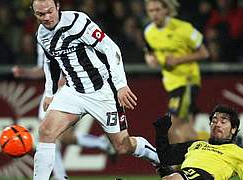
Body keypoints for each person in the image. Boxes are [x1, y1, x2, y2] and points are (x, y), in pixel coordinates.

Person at [30, 0, 160, 179]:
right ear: (34, 13)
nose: (47, 18)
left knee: (122, 146)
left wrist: (121, 84)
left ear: (58, 6)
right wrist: (50, 93)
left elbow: (110, 47)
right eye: (40, 14)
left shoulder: (78, 22)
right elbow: (51, 63)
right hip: (73, 91)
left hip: (101, 91)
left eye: (50, 11)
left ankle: (158, 158)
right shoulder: (42, 34)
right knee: (45, 131)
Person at [12, 45, 116, 180]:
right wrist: (24, 73)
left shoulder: (70, 29)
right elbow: (42, 69)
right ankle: (100, 144)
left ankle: (61, 176)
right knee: (52, 134)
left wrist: (70, 76)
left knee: (51, 134)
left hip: (72, 87)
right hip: (53, 89)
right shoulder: (41, 38)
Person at [143, 0, 210, 144]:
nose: (154, 14)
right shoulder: (149, 32)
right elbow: (149, 51)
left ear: (166, 10)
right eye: (151, 11)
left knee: (171, 127)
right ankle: (224, 146)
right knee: (187, 130)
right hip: (171, 84)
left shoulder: (184, 28)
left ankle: (174, 165)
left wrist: (178, 60)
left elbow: (204, 53)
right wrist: (149, 59)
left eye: (158, 9)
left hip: (186, 81)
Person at [153, 104, 243, 180]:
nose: (217, 124)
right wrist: (161, 133)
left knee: (173, 178)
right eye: (214, 120)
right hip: (186, 175)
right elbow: (165, 157)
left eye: (223, 121)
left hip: (206, 176)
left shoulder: (238, 153)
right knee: (168, 176)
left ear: (233, 129)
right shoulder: (196, 144)